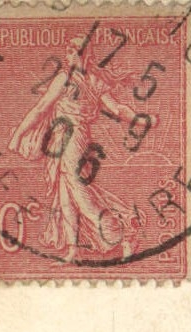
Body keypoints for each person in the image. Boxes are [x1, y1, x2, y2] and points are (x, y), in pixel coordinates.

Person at [8, 33, 151, 259]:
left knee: (78, 188)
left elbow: (116, 109)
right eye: (67, 51)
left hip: (76, 137)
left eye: (73, 51)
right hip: (57, 138)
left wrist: (138, 119)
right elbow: (41, 108)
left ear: (85, 54)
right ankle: (72, 248)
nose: (68, 55)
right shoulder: (64, 78)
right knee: (65, 192)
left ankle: (121, 234)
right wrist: (18, 134)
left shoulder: (94, 80)